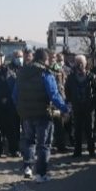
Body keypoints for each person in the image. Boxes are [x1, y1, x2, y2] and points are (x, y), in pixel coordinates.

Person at [12, 48, 69, 182]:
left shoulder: (21, 73)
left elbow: (14, 95)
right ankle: (41, 174)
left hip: (25, 114)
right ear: (45, 59)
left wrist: (21, 108)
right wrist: (65, 109)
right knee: (43, 145)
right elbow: (54, 95)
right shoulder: (45, 73)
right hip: (43, 113)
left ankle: (28, 167)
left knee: (28, 141)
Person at [64, 54, 96, 158]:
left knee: (90, 130)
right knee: (77, 130)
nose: (79, 65)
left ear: (85, 64)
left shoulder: (92, 77)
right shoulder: (71, 77)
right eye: (77, 62)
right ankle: (77, 151)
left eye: (81, 62)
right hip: (77, 107)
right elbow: (67, 91)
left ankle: (91, 150)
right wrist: (71, 101)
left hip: (89, 108)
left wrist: (92, 101)